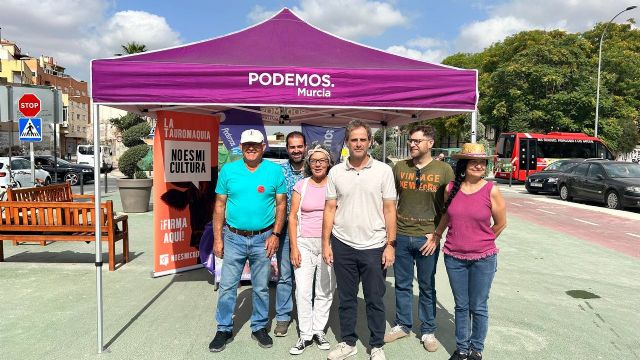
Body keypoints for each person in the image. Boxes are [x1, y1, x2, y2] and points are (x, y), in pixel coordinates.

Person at [323, 120, 397, 360]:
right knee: (346, 299)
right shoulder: (335, 172)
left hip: (375, 246)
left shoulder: (383, 171)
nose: (358, 143)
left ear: (370, 142)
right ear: (347, 142)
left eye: (362, 139)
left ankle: (376, 345)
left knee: (375, 299)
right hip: (343, 244)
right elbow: (330, 208)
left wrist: (390, 245)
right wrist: (326, 243)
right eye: (353, 139)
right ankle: (348, 342)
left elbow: (389, 210)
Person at [209, 129, 287, 352]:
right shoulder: (228, 170)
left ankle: (259, 327)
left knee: (261, 287)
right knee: (227, 286)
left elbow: (281, 205)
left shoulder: (274, 171)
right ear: (240, 147)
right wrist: (218, 238)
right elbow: (219, 205)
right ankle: (224, 328)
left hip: (264, 238)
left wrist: (276, 234)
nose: (251, 148)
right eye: (246, 145)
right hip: (233, 237)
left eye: (255, 144)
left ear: (263, 146)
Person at [430, 143, 507, 360]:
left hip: (483, 259)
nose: (478, 165)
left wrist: (482, 242)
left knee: (478, 306)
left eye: (482, 162)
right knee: (461, 305)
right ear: (463, 164)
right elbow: (447, 215)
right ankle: (462, 348)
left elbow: (500, 223)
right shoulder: (450, 189)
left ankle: (476, 349)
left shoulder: (492, 190)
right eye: (473, 161)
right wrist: (437, 234)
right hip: (454, 257)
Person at [385, 125, 454, 352]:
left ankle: (428, 330)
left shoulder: (444, 170)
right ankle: (403, 325)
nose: (412, 144)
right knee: (402, 284)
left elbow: (449, 207)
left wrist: (436, 235)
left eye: (417, 141)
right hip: (402, 235)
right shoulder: (399, 167)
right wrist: (391, 236)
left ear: (430, 143)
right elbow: (389, 201)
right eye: (411, 141)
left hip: (428, 238)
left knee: (427, 286)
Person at [288, 143, 336, 355]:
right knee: (303, 291)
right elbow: (292, 217)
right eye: (314, 160)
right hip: (304, 244)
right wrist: (293, 247)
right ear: (309, 163)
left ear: (329, 163)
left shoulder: (335, 185)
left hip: (329, 244)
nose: (318, 164)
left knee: (325, 290)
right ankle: (305, 334)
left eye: (322, 160)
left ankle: (319, 330)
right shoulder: (302, 185)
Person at [275, 131, 307, 337]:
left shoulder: (315, 169)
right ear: (287, 149)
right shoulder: (279, 171)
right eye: (292, 147)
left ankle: (308, 316)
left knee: (307, 277)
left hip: (310, 230)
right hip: (286, 230)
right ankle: (283, 317)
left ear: (305, 147)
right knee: (285, 276)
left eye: (299, 146)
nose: (296, 150)